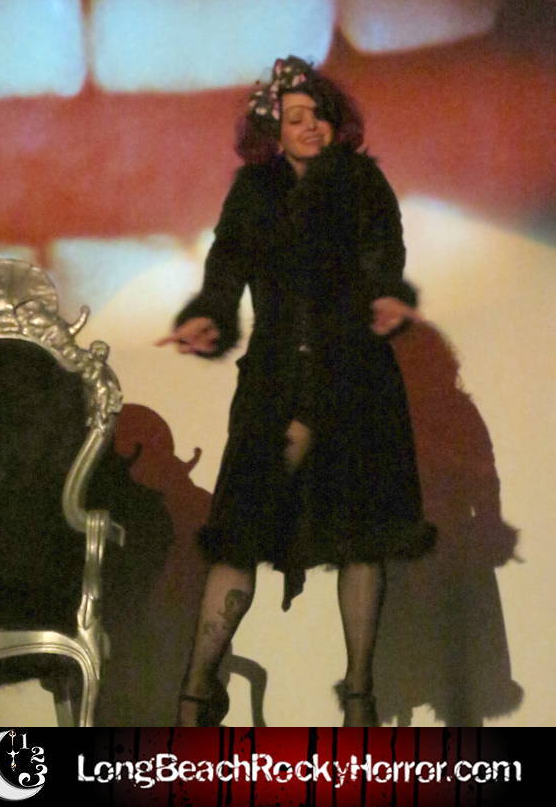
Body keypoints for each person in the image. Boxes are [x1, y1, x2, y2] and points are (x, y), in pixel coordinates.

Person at [158, 55, 437, 726]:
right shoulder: (253, 193)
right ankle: (196, 696)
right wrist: (210, 314)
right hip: (277, 383)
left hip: (354, 380)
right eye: (296, 118)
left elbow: (384, 257)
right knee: (238, 534)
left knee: (362, 539)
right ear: (273, 132)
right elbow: (226, 265)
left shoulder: (363, 183)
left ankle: (359, 702)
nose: (312, 126)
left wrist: (385, 297)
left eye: (320, 115)